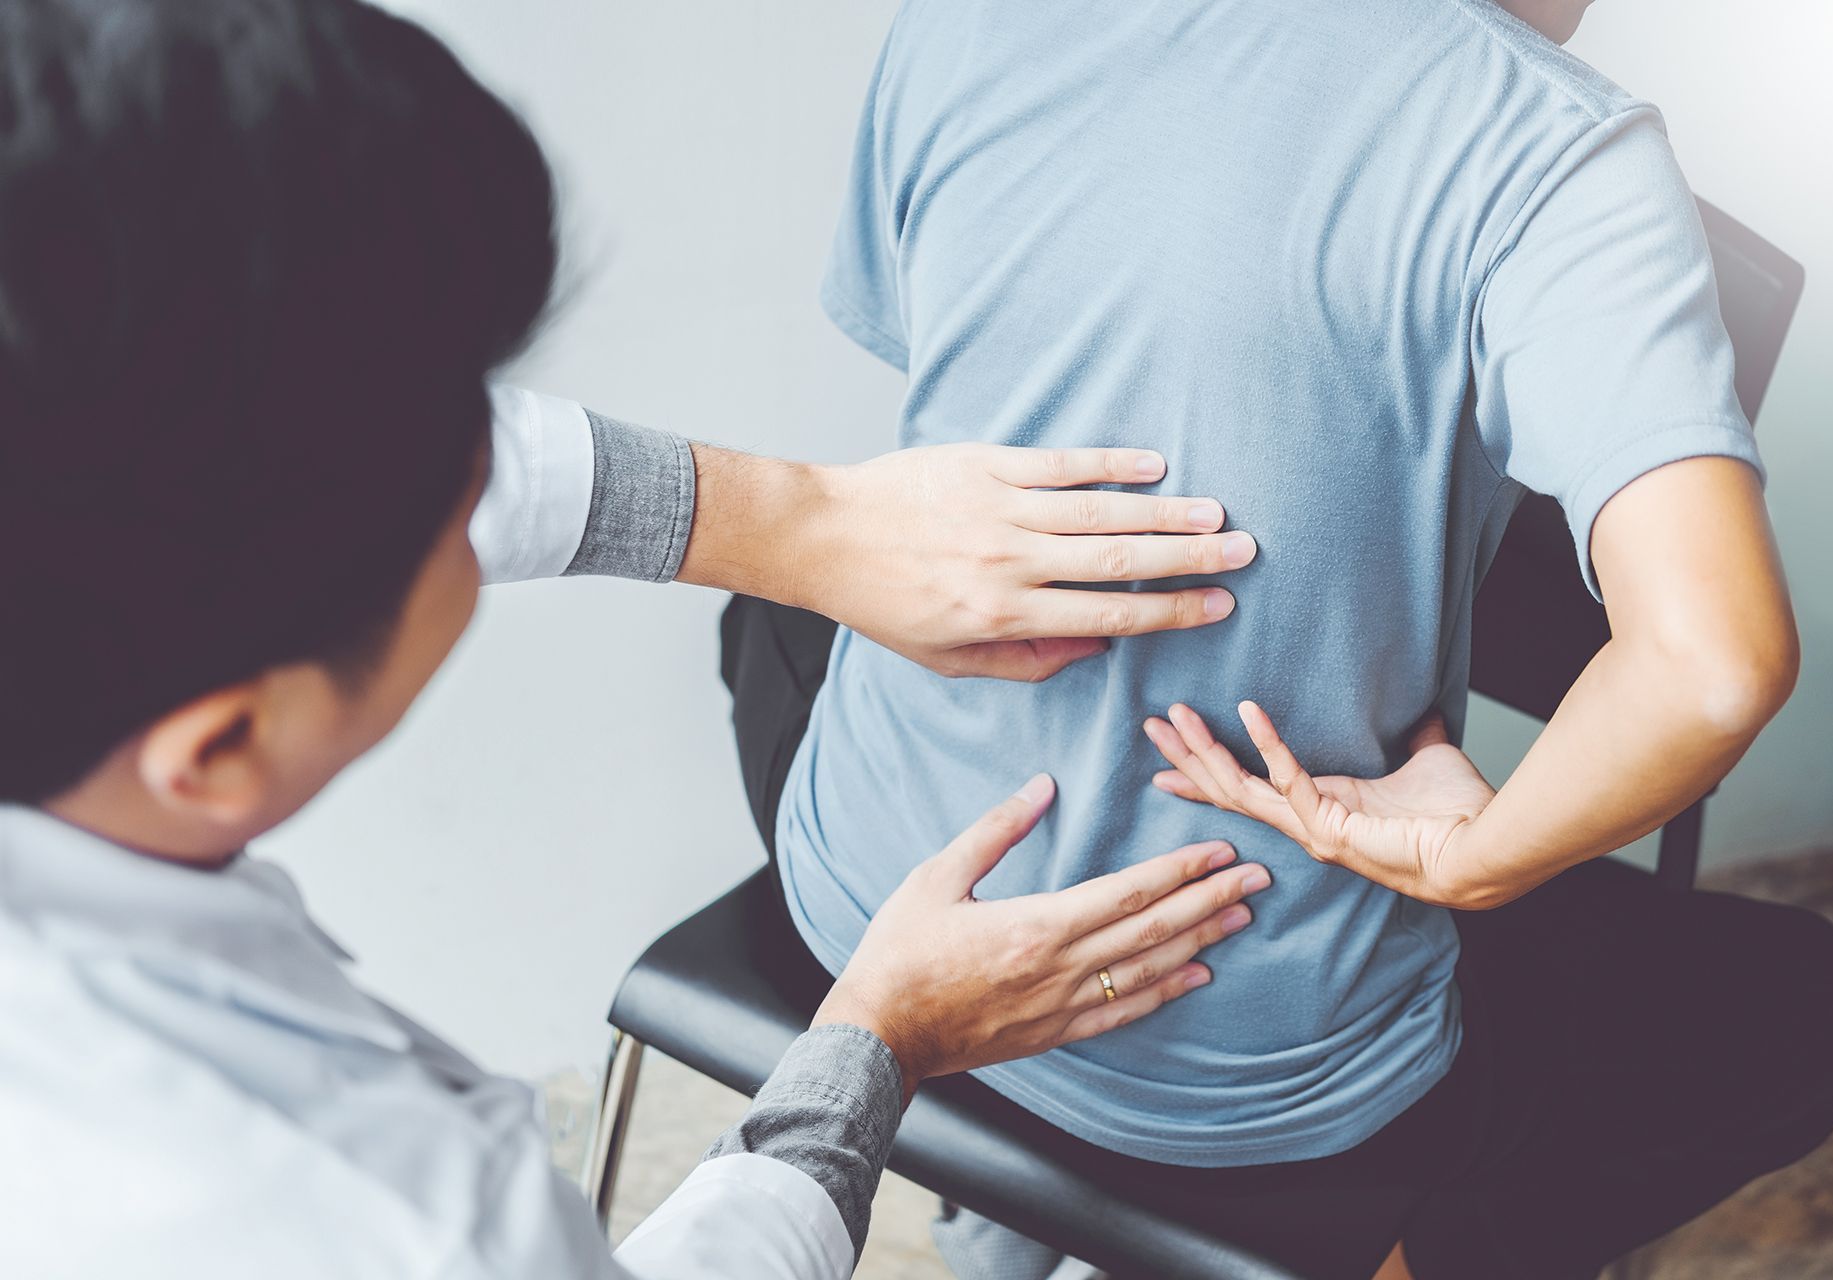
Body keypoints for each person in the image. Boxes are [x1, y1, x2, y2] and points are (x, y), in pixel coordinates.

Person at [0, 1, 1276, 1277]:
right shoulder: (394, 1221)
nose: (496, 466)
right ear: (220, 744)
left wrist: (808, 519)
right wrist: (872, 1044)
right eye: (460, 483)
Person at [739, 0, 1833, 1277]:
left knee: (770, 615)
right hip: (1244, 1085)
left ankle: (996, 1220)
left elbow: (946, 384)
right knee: (1815, 1008)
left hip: (866, 926)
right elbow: (1710, 663)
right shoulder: (1552, 150)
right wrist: (1473, 860)